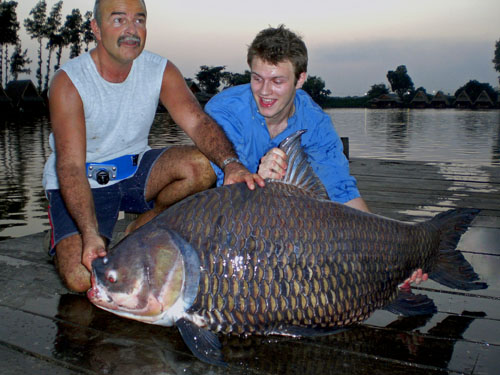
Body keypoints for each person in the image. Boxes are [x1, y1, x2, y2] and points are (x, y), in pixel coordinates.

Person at [43, 0, 261, 293]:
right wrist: (90, 233)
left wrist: (231, 163)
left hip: (134, 172)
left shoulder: (160, 70)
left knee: (200, 167)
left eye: (139, 20)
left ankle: (144, 224)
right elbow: (69, 165)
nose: (131, 30)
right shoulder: (69, 82)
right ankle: (59, 237)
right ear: (96, 28)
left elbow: (197, 122)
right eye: (118, 20)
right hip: (81, 181)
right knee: (83, 280)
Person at [205, 25, 427, 286]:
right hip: (221, 218)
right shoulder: (223, 110)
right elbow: (223, 195)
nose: (264, 91)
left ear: (300, 80)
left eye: (277, 81)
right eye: (257, 78)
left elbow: (342, 192)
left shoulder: (316, 122)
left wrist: (391, 256)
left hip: (289, 221)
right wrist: (255, 182)